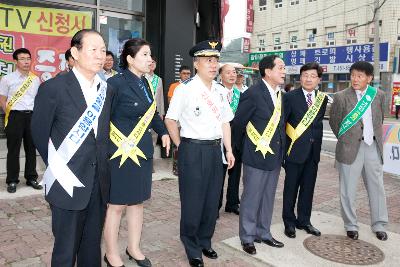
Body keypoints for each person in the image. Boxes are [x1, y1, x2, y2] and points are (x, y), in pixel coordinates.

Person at [31, 29, 113, 266]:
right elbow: (39, 133)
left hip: (98, 183)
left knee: (91, 248)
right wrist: (60, 169)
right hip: (67, 182)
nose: (100, 55)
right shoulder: (53, 88)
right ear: (75, 53)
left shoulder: (106, 90)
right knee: (65, 250)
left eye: (103, 49)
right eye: (93, 49)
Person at [165, 40, 235, 267]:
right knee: (193, 201)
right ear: (196, 64)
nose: (213, 65)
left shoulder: (221, 91)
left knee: (211, 199)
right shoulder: (185, 89)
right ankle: (191, 244)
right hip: (192, 150)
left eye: (215, 61)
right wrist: (180, 145)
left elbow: (225, 122)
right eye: (208, 61)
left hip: (215, 150)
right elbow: (170, 119)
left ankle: (205, 240)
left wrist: (229, 149)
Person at [103, 38, 170, 267]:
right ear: (130, 59)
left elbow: (152, 113)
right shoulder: (115, 84)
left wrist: (163, 132)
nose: (149, 59)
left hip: (141, 151)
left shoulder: (147, 83)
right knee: (117, 205)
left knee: (137, 202)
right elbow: (103, 120)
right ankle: (111, 253)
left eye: (150, 55)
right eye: (144, 54)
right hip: (120, 152)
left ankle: (133, 247)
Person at [329, 61, 388, 241]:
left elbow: (380, 119)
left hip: (372, 147)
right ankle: (351, 225)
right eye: (353, 75)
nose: (355, 79)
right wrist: (347, 138)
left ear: (369, 78)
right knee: (348, 189)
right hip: (349, 148)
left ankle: (379, 224)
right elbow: (334, 122)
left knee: (377, 187)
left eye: (360, 76)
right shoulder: (341, 96)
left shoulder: (378, 95)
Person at [232, 55, 286, 255]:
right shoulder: (253, 93)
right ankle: (247, 236)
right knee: (251, 197)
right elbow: (238, 123)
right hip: (256, 155)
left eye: (284, 68)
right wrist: (241, 150)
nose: (283, 71)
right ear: (268, 71)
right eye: (280, 67)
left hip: (275, 156)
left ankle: (264, 232)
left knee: (268, 197)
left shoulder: (280, 94)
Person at [282, 62, 328, 239]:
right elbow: (282, 125)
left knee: (308, 189)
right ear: (300, 77)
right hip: (294, 151)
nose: (309, 79)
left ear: (319, 80)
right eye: (305, 75)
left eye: (313, 76)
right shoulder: (289, 97)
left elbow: (317, 126)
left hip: (313, 152)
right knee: (290, 189)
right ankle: (289, 222)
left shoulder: (322, 99)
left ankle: (304, 221)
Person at [0, 48, 41, 193]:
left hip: (32, 116)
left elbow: (37, 99)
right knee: (13, 150)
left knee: (31, 148)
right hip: (14, 116)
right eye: (22, 59)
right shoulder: (7, 79)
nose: (26, 61)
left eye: (28, 58)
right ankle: (12, 180)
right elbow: (2, 100)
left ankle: (31, 177)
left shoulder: (35, 79)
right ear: (16, 61)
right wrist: (9, 114)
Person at [218, 63, 242, 216]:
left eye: (234, 72)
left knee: (235, 173)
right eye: (228, 72)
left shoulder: (241, 94)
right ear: (221, 75)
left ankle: (232, 203)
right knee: (219, 176)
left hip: (237, 139)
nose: (232, 75)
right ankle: (215, 206)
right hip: (220, 139)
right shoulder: (215, 92)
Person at [167, 65, 192, 175]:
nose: (186, 75)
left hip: (189, 121)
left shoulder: (193, 86)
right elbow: (170, 102)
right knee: (177, 145)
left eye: (188, 73)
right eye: (184, 73)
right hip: (177, 120)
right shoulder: (174, 86)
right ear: (180, 74)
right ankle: (176, 167)